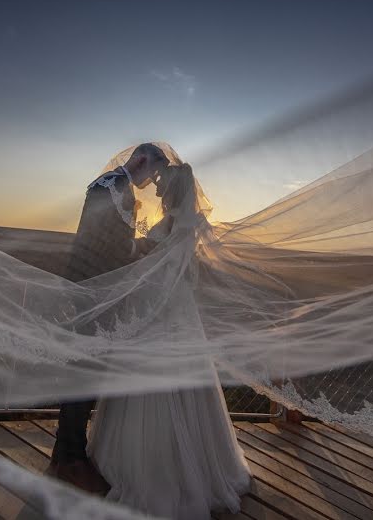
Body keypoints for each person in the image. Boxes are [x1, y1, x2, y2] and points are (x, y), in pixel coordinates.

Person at [85, 163, 252, 519]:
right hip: (171, 307)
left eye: (162, 185)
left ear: (175, 189)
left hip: (162, 307)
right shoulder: (181, 220)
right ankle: (183, 462)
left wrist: (132, 249)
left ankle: (159, 471)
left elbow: (165, 265)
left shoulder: (178, 222)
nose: (157, 189)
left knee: (158, 381)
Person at [46, 143, 169, 494]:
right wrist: (149, 248)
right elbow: (113, 247)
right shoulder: (114, 188)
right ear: (142, 161)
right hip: (95, 290)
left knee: (85, 373)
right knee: (86, 375)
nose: (152, 181)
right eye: (153, 173)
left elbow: (108, 241)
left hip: (92, 287)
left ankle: (63, 455)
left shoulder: (109, 184)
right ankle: (71, 460)